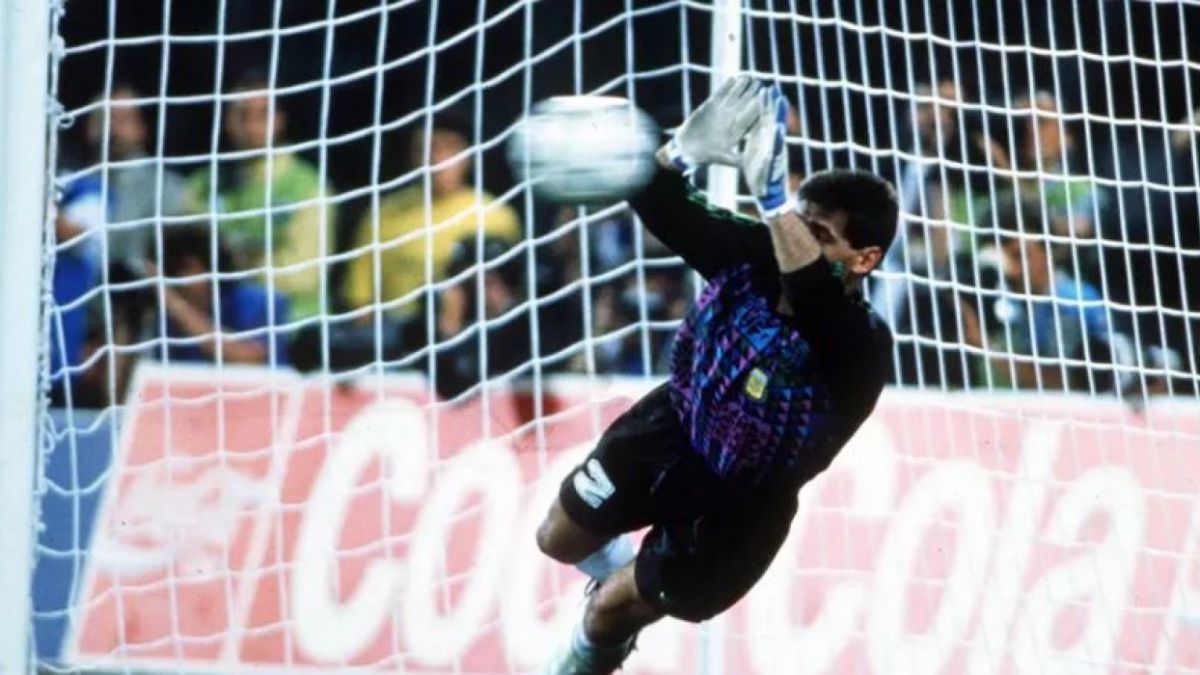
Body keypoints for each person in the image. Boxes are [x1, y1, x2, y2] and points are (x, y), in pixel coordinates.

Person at [536, 77, 897, 674]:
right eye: (800, 221)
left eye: (821, 235)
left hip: (739, 509)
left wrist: (778, 201)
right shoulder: (754, 252)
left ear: (864, 260)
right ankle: (618, 570)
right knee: (557, 538)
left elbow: (814, 298)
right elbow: (662, 205)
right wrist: (679, 153)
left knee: (607, 613)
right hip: (669, 430)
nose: (797, 238)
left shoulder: (861, 341)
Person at [188, 71, 332, 320]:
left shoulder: (308, 186)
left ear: (279, 120)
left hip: (292, 326)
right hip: (214, 319)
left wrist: (237, 267)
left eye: (262, 115)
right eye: (242, 115)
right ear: (227, 121)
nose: (251, 126)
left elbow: (306, 275)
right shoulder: (203, 184)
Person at [343, 117, 520, 319]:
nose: (436, 158)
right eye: (426, 148)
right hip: (398, 338)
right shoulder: (384, 214)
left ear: (468, 155)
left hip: (471, 336)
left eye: (448, 147)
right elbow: (359, 297)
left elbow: (508, 296)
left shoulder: (495, 215)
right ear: (412, 156)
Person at [152, 226, 289, 365]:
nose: (180, 281)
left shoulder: (262, 302)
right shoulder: (165, 317)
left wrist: (176, 305)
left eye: (185, 269)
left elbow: (251, 357)